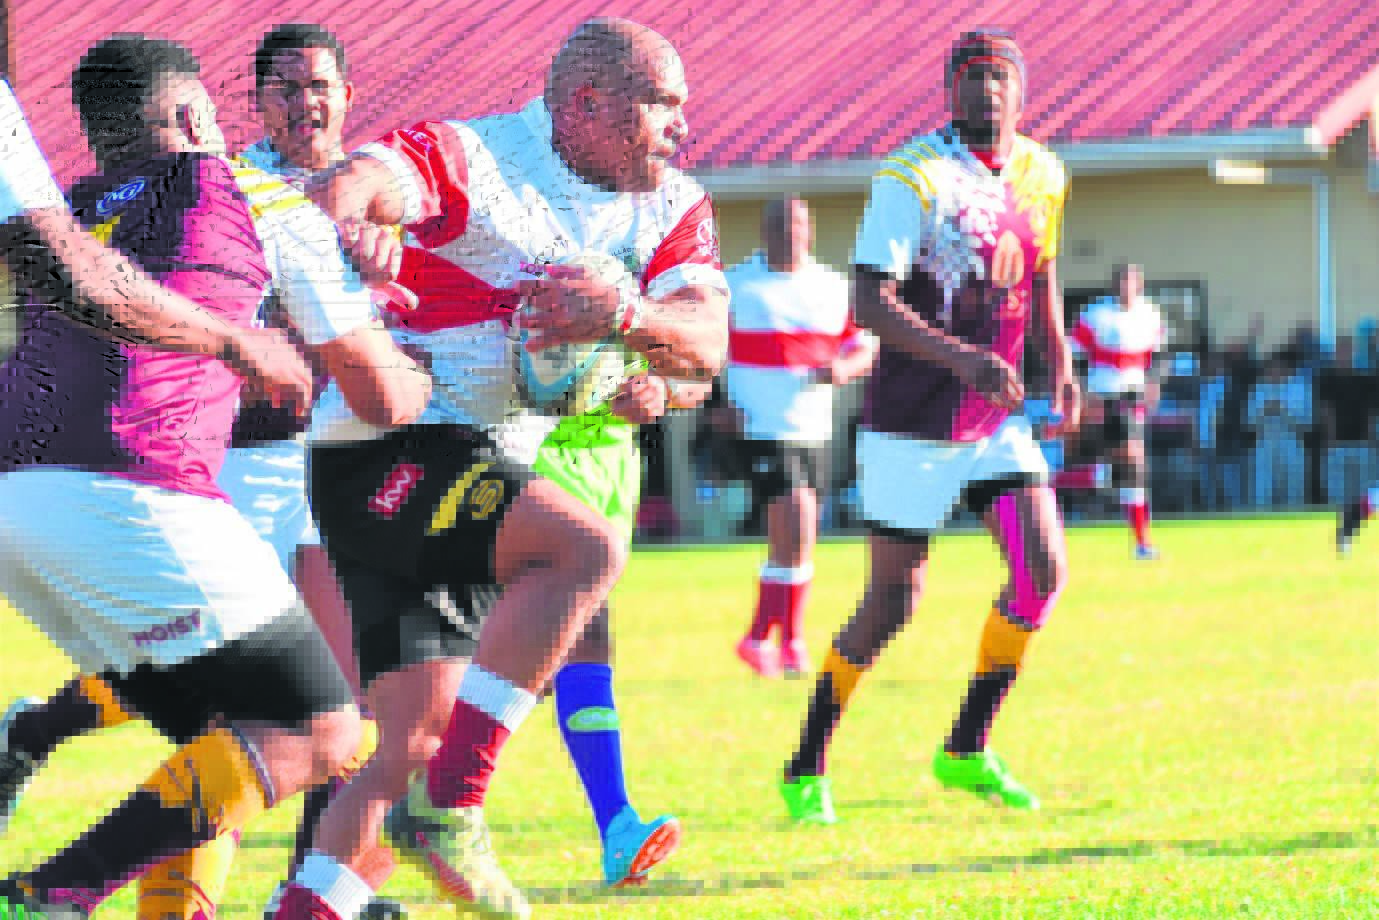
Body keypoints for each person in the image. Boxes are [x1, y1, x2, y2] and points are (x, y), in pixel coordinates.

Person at [268, 18, 728, 919]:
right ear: (587, 105)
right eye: (661, 105)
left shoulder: (672, 203)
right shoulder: (478, 156)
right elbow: (356, 180)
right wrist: (355, 230)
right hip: (386, 448)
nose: (682, 126)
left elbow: (705, 344)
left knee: (409, 747)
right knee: (583, 550)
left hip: (474, 463)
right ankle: (458, 803)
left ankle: (314, 903)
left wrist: (625, 319)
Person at [0, 35, 432, 919]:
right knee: (325, 730)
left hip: (18, 500)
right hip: (133, 489)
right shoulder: (253, 194)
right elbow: (383, 395)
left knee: (224, 738)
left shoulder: (64, 211)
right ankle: (46, 894)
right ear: (196, 114)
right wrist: (426, 364)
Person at [779, 30, 1080, 825]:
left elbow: (1041, 273)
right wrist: (962, 358)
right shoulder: (910, 176)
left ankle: (966, 748)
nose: (985, 89)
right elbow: (868, 301)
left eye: (999, 76)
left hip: (994, 419)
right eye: (970, 76)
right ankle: (805, 765)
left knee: (1041, 571)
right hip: (910, 423)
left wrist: (1059, 361)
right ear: (949, 91)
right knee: (891, 603)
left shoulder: (1044, 172)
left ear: (1020, 90)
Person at [725, 196, 875, 677]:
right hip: (761, 427)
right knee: (798, 521)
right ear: (763, 230)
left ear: (809, 231)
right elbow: (703, 352)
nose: (788, 233)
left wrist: (845, 369)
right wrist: (715, 405)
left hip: (815, 427)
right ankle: (786, 642)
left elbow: (865, 345)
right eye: (778, 224)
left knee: (795, 541)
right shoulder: (735, 286)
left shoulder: (832, 287)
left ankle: (765, 640)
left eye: (796, 225)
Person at [1071, 263, 1164, 558]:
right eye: (1122, 281)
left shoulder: (1150, 314)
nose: (1127, 287)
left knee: (1129, 468)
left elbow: (1158, 356)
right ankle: (1142, 543)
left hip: (1134, 397)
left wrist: (1154, 383)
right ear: (1115, 285)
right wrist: (1081, 393)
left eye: (1132, 281)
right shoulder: (1096, 314)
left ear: (1140, 284)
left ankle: (1142, 542)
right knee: (1132, 465)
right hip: (1105, 396)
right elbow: (1074, 355)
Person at [1247, 352, 1312, 508]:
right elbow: (1250, 426)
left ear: (1287, 369)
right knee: (1263, 495)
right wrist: (1264, 413)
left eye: (1279, 367)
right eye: (1271, 368)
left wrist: (1283, 412)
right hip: (1265, 446)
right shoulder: (1258, 389)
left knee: (1293, 494)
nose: (1275, 371)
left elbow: (1306, 426)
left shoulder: (1300, 388)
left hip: (1291, 445)